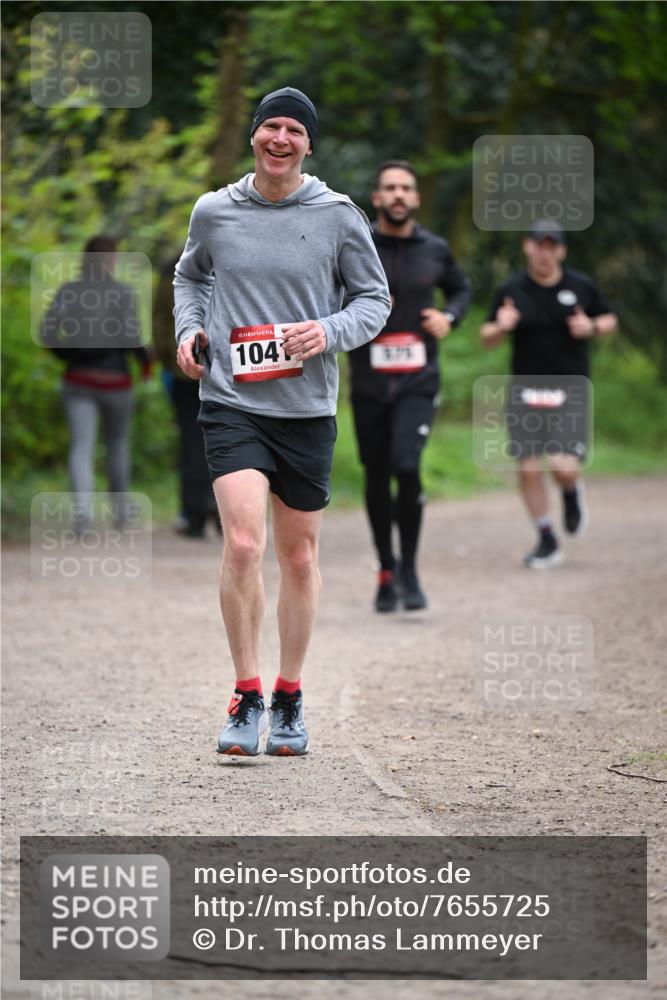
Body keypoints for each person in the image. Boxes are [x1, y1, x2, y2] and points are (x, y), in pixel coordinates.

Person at [174, 87, 391, 757]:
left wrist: (324, 332)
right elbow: (190, 277)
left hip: (305, 408)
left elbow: (373, 300)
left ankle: (290, 694)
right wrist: (189, 332)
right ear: (253, 137)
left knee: (297, 556)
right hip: (232, 396)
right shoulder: (215, 209)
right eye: (271, 126)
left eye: (294, 130)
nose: (281, 138)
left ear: (308, 145)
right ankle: (245, 694)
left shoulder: (337, 215)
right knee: (243, 544)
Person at [348, 160, 472, 612]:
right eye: (389, 188)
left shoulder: (435, 249)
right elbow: (331, 293)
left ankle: (411, 569)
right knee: (377, 475)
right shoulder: (358, 247)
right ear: (377, 198)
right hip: (368, 382)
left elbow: (462, 289)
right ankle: (386, 569)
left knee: (406, 464)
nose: (398, 195)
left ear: (416, 198)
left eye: (406, 188)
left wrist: (450, 317)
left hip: (418, 381)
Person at [480, 220, 617, 568]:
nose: (545, 252)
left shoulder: (581, 286)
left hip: (570, 389)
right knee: (527, 470)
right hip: (526, 390)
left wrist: (592, 326)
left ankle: (571, 492)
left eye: (552, 245)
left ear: (562, 251)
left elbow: (610, 320)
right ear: (528, 247)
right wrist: (501, 326)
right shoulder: (512, 288)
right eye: (539, 245)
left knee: (562, 466)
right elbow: (487, 336)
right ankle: (546, 538)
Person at [41, 235, 152, 531]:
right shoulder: (122, 293)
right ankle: (121, 515)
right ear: (112, 259)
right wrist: (145, 362)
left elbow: (46, 332)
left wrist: (68, 356)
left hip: (78, 379)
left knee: (82, 447)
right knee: (117, 445)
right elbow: (133, 337)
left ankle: (83, 518)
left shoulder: (69, 291)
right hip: (117, 381)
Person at [152, 255, 217, 538]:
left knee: (192, 443)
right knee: (229, 439)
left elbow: (160, 321)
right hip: (227, 370)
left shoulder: (174, 267)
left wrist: (169, 361)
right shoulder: (229, 252)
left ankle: (193, 515)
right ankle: (224, 511)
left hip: (184, 370)